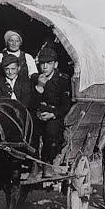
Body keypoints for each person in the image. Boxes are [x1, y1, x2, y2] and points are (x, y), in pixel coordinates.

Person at [28, 46, 71, 178]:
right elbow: (31, 103)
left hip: (54, 115)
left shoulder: (63, 80)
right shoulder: (35, 79)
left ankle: (48, 162)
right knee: (31, 132)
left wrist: (53, 114)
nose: (45, 67)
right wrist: (39, 87)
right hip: (38, 114)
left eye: (49, 63)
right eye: (42, 63)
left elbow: (66, 104)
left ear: (55, 64)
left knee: (51, 133)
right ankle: (34, 164)